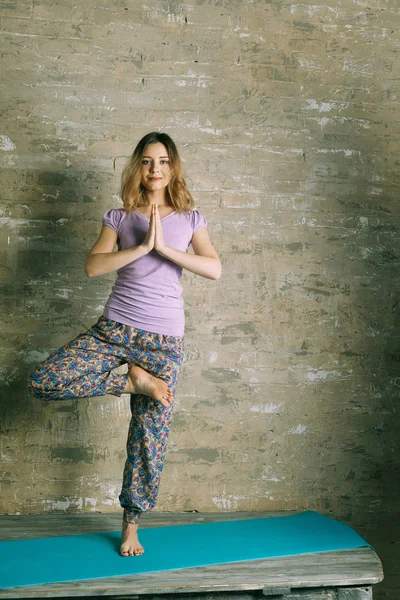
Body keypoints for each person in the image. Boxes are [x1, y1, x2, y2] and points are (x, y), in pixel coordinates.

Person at [27, 131, 221, 557]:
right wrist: (142, 248)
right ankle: (129, 382)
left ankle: (131, 526)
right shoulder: (119, 217)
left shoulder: (191, 219)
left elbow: (214, 268)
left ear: (174, 168)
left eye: (164, 161)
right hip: (115, 329)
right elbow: (93, 266)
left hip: (163, 342)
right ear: (138, 166)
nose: (156, 169)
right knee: (45, 380)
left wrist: (166, 249)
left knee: (149, 437)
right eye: (149, 161)